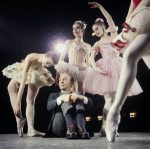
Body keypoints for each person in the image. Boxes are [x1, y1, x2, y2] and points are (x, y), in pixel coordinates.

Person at [83, 2, 143, 138]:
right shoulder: (97, 43)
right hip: (105, 70)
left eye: (98, 29)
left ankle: (112, 128)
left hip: (117, 67)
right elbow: (91, 58)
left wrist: (100, 7)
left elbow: (109, 18)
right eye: (95, 30)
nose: (96, 32)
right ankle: (105, 127)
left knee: (116, 101)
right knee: (108, 100)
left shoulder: (114, 35)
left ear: (103, 28)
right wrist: (96, 69)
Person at [105, 0, 150, 142]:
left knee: (130, 55)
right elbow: (130, 14)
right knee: (130, 56)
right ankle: (115, 112)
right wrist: (127, 31)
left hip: (146, 21)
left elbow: (142, 6)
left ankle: (115, 111)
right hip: (142, 24)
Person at [2, 51, 58, 137]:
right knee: (11, 87)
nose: (46, 65)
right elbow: (23, 81)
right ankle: (19, 118)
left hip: (37, 73)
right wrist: (17, 104)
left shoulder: (45, 64)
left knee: (30, 100)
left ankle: (30, 129)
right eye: (47, 62)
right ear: (46, 55)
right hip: (25, 71)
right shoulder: (31, 57)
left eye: (49, 65)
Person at [43, 72, 93, 139]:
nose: (61, 82)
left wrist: (80, 97)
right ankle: (70, 127)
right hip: (59, 126)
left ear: (71, 83)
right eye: (60, 80)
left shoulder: (76, 94)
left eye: (65, 79)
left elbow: (90, 103)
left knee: (77, 95)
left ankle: (81, 128)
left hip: (76, 128)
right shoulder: (54, 95)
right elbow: (49, 107)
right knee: (66, 96)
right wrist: (61, 98)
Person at [55, 20, 91, 92]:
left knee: (81, 93)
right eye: (73, 28)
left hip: (82, 72)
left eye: (77, 28)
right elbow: (61, 58)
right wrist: (59, 72)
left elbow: (88, 62)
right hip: (70, 71)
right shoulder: (69, 42)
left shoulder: (87, 46)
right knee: (71, 92)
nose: (75, 30)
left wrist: (89, 72)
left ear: (82, 30)